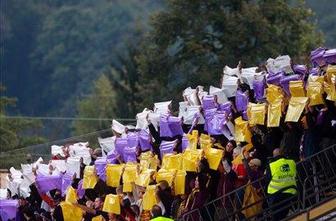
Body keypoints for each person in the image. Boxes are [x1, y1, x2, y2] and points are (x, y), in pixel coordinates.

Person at [266, 148, 298, 221]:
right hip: (292, 191)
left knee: (275, 214)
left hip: (276, 194)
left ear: (274, 156)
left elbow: (267, 180)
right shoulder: (292, 162)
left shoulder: (271, 165)